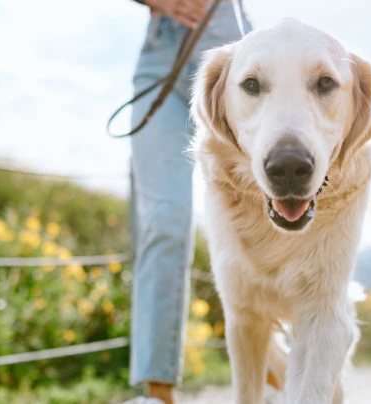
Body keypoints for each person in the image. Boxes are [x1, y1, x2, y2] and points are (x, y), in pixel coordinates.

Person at [122, 1, 252, 403]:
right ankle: (157, 393)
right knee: (164, 220)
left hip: (233, 52)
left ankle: (276, 368)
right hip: (161, 60)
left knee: (255, 221)